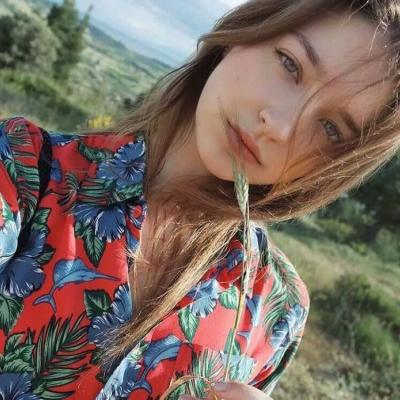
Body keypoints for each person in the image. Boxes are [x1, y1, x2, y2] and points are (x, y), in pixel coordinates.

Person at [0, 0, 398, 399]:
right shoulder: (24, 171)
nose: (279, 127)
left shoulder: (276, 310)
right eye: (290, 64)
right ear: (246, 31)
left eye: (330, 128)